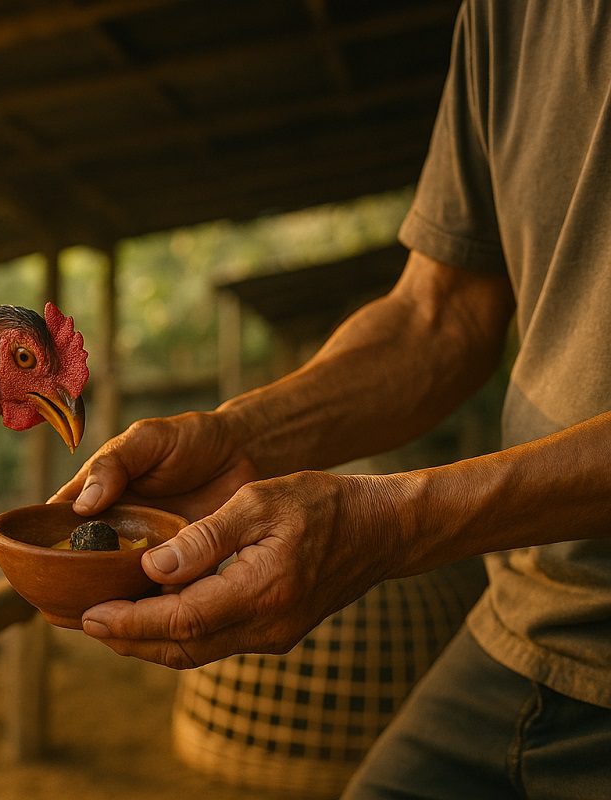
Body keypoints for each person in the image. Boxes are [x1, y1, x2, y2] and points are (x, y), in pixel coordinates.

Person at [50, 1, 611, 796]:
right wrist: (242, 437)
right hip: (529, 621)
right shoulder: (506, 16)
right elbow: (438, 314)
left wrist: (394, 522)